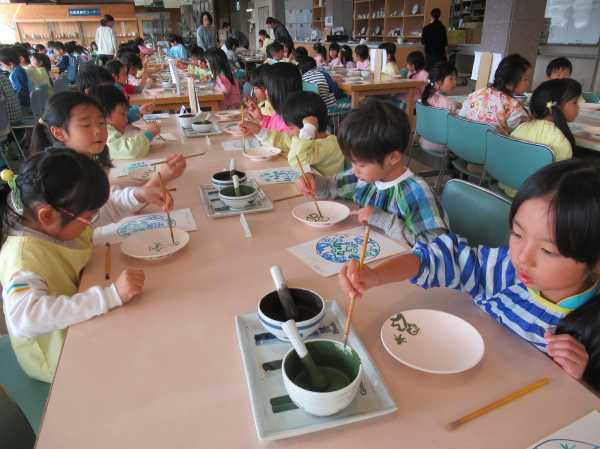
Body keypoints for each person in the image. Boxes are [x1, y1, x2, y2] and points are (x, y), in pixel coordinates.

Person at [339, 159, 600, 387]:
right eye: (517, 234)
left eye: (548, 251)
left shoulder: (588, 331)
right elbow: (440, 257)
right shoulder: (506, 270)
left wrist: (580, 379)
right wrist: (375, 276)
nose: (523, 257)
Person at [0, 150, 155, 382]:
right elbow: (26, 318)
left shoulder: (53, 220)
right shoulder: (22, 257)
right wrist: (111, 296)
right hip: (59, 357)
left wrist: (138, 196)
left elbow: (102, 211)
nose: (92, 222)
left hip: (79, 321)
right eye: (88, 218)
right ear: (47, 216)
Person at [296, 98, 447, 244]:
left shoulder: (415, 193)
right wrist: (314, 182)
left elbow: (436, 247)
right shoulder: (365, 178)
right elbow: (333, 186)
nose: (354, 169)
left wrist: (382, 220)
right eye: (352, 162)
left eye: (361, 165)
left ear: (393, 157)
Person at [30, 92, 184, 186]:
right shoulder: (62, 174)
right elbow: (97, 213)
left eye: (101, 122)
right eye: (86, 125)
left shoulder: (92, 156)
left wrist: (142, 193)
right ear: (59, 133)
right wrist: (157, 180)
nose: (98, 131)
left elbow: (106, 200)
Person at [503, 78, 582, 197]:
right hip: (536, 200)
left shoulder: (521, 127)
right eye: (575, 102)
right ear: (557, 106)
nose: (578, 107)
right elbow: (558, 187)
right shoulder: (560, 141)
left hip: (508, 191)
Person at [240, 91, 344, 176]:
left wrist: (308, 130)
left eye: (291, 128)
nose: (288, 132)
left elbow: (296, 161)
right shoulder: (305, 140)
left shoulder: (330, 145)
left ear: (307, 126)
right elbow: (282, 140)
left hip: (326, 194)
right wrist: (258, 130)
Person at [459, 53, 531, 133]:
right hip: (494, 141)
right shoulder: (515, 109)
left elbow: (461, 117)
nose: (528, 83)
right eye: (525, 79)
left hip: (466, 137)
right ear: (510, 83)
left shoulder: (476, 94)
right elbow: (520, 135)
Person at [90, 85, 159, 160]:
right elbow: (131, 150)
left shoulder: (104, 126)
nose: (126, 120)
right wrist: (149, 133)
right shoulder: (103, 133)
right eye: (123, 114)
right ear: (105, 115)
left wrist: (139, 111)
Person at [244, 62, 302, 132]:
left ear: (279, 91)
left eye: (268, 88)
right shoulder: (280, 113)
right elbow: (273, 124)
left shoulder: (291, 125)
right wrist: (261, 118)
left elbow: (275, 136)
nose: (265, 92)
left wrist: (259, 131)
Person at [419, 62, 458, 153]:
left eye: (456, 79)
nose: (455, 83)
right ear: (438, 82)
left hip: (425, 142)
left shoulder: (425, 97)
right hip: (441, 147)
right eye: (451, 79)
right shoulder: (448, 104)